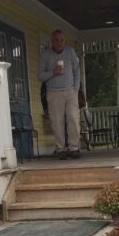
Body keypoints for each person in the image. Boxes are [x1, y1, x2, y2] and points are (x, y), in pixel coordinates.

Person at [38, 30, 81, 159]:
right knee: (57, 122)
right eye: (56, 40)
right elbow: (40, 76)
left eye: (61, 40)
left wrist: (76, 89)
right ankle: (60, 148)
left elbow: (77, 70)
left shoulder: (70, 52)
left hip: (70, 91)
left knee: (73, 119)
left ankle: (73, 147)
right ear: (52, 41)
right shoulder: (46, 54)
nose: (59, 43)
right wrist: (53, 72)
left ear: (65, 40)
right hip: (53, 92)